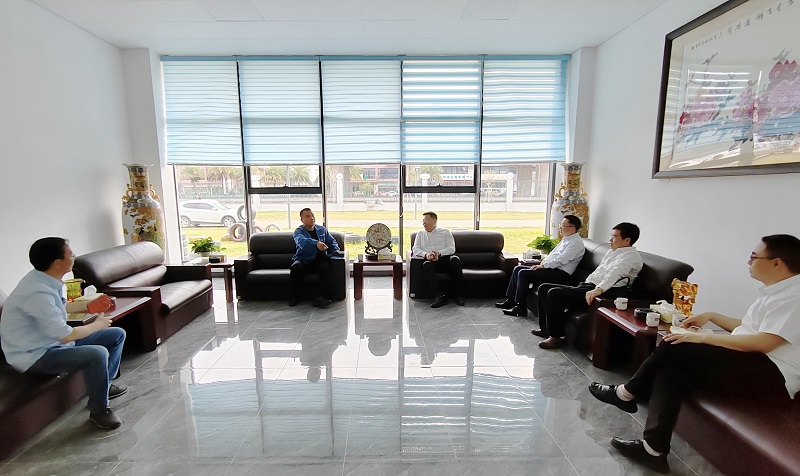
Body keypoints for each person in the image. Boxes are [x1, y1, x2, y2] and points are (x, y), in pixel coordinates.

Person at [588, 234, 800, 474]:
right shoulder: (776, 291)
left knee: (675, 345)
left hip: (773, 375)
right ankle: (653, 450)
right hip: (755, 362)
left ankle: (626, 393)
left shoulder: (795, 296)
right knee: (672, 370)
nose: (748, 262)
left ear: (776, 263)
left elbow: (764, 342)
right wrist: (710, 316)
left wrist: (702, 337)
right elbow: (751, 327)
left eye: (754, 256)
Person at [0, 237, 127, 430]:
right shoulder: (36, 292)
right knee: (97, 353)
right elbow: (65, 335)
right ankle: (99, 410)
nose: (74, 256)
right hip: (34, 355)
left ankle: (104, 386)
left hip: (52, 343)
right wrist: (98, 325)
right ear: (58, 263)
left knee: (117, 334)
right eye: (71, 253)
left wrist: (90, 306)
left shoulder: (45, 279)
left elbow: (60, 307)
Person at [533, 222, 643, 349]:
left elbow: (615, 273)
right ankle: (546, 329)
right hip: (587, 286)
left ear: (627, 240)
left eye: (614, 237)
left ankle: (557, 337)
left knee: (554, 293)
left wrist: (598, 289)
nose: (610, 240)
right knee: (544, 288)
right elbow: (599, 272)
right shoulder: (612, 252)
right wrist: (584, 284)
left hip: (603, 292)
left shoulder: (631, 256)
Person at [497, 215, 586, 317]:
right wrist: (542, 263)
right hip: (552, 269)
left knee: (523, 273)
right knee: (517, 268)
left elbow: (562, 259)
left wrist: (544, 266)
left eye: (563, 225)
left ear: (572, 228)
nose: (560, 228)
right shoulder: (566, 239)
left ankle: (520, 307)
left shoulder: (576, 243)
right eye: (560, 225)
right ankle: (511, 300)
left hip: (560, 274)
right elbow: (553, 255)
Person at [411, 211, 464, 308]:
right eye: (423, 220)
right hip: (430, 261)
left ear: (434, 221)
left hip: (444, 259)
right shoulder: (420, 234)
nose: (424, 222)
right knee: (426, 265)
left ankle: (458, 295)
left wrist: (439, 253)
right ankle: (440, 296)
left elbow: (452, 248)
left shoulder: (445, 232)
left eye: (426, 220)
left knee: (455, 259)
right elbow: (415, 249)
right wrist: (426, 254)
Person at [291, 208, 341, 308]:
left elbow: (332, 242)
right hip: (303, 259)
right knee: (295, 268)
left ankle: (320, 298)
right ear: (302, 220)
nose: (312, 218)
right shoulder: (298, 232)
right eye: (308, 216)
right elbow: (302, 243)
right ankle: (294, 297)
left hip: (319, 260)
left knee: (326, 268)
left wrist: (335, 250)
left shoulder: (321, 229)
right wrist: (316, 244)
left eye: (312, 215)